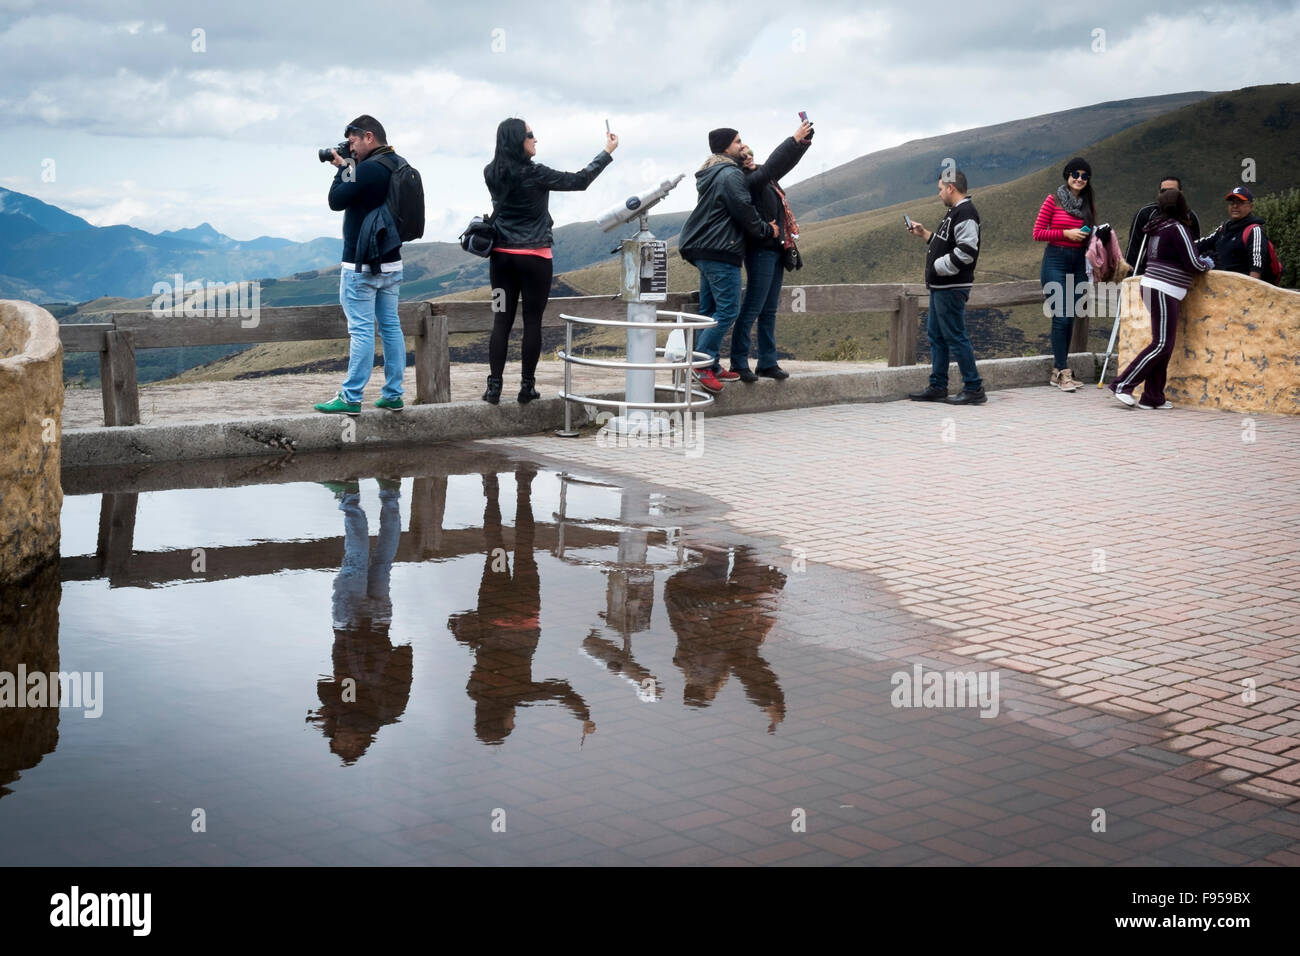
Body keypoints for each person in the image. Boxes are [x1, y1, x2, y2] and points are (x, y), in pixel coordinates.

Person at [482, 118, 617, 404]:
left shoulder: (490, 173)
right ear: (518, 140)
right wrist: (606, 152)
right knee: (533, 322)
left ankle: (493, 388)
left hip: (501, 261)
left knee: (501, 320)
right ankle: (526, 387)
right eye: (530, 135)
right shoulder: (537, 173)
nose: (535, 140)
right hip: (535, 259)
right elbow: (580, 181)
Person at [315, 115, 408, 415]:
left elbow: (335, 200)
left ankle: (351, 397)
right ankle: (393, 393)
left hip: (362, 264)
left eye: (353, 141)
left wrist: (342, 168)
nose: (350, 148)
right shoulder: (398, 164)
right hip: (392, 262)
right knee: (391, 327)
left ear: (369, 137)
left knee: (362, 330)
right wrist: (350, 164)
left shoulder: (365, 169)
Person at [677, 128, 780, 394]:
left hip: (702, 247)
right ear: (725, 148)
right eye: (738, 142)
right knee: (727, 310)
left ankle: (708, 363)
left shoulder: (712, 173)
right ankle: (700, 366)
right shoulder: (730, 174)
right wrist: (768, 230)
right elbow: (744, 210)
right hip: (721, 248)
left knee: (709, 311)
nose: (742, 145)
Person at [1110, 188, 1213, 410]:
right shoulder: (1178, 228)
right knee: (1162, 344)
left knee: (1162, 343)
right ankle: (1123, 385)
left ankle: (1153, 396)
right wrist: (1207, 264)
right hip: (1164, 289)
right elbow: (1193, 264)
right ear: (1182, 206)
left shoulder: (1158, 227)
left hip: (1153, 286)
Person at [729, 121, 813, 382]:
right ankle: (739, 362)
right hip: (761, 251)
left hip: (776, 249)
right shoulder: (749, 182)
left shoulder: (766, 179)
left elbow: (783, 165)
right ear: (739, 164)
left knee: (769, 310)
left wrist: (803, 144)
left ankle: (767, 361)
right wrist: (793, 140)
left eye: (751, 153)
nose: (750, 158)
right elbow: (776, 164)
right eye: (745, 157)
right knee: (753, 306)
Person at [906, 170, 986, 405]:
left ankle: (974, 388)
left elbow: (967, 251)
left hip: (951, 286)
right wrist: (925, 234)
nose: (939, 193)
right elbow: (947, 244)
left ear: (951, 188)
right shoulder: (954, 213)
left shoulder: (966, 212)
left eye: (941, 188)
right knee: (937, 336)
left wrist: (938, 267)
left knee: (955, 336)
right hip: (941, 287)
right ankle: (938, 385)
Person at [1033, 157, 1097, 392]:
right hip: (1056, 260)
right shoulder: (1053, 200)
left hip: (1079, 262)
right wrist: (1066, 234)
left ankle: (1057, 372)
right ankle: (1062, 371)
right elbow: (1038, 232)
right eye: (1075, 174)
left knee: (1071, 315)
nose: (1079, 179)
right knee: (1061, 316)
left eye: (1084, 176)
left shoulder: (1088, 204)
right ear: (1067, 176)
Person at [1125, 174, 1201, 275]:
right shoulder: (1146, 214)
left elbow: (1197, 248)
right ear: (1158, 194)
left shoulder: (1190, 217)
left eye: (1172, 191)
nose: (1167, 195)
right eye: (1163, 191)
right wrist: (1129, 277)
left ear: (1181, 194)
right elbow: (1133, 249)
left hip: (1181, 276)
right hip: (1148, 274)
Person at [1196, 186, 1269, 279]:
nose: (1235, 206)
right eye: (1232, 203)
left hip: (1242, 287)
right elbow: (1204, 243)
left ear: (1250, 207)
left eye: (1240, 203)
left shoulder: (1254, 230)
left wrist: (1250, 291)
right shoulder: (1223, 228)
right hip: (1223, 286)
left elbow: (1257, 265)